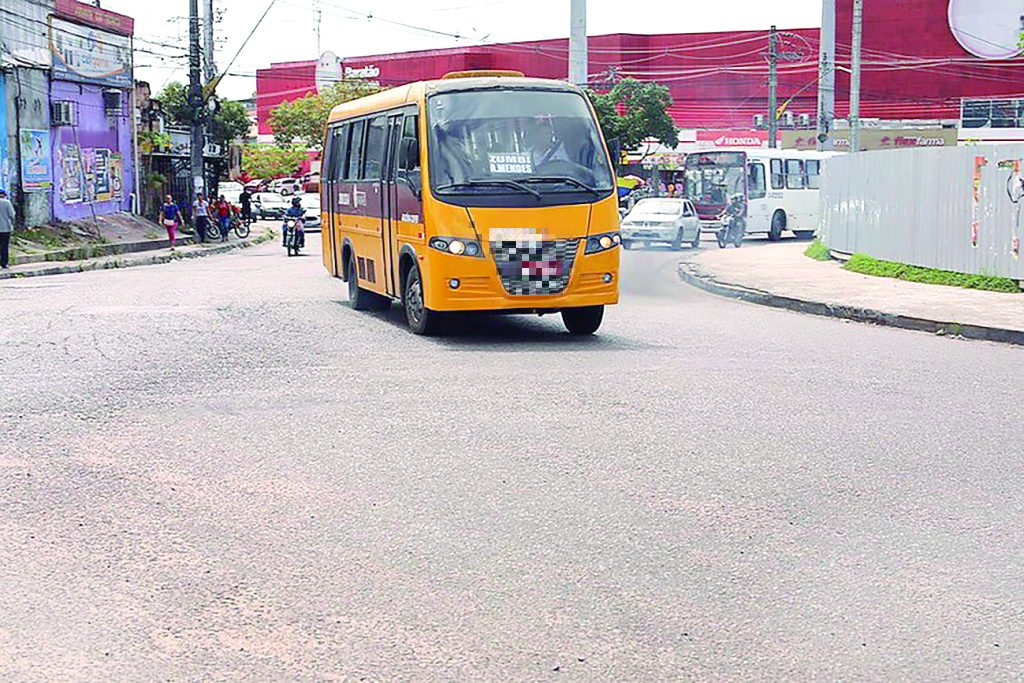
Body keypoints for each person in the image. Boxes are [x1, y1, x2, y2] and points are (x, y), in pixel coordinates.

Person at [0, 189, 15, 269]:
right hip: (5, 228)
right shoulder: (7, 203)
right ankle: (4, 263)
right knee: (4, 246)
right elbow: (12, 215)